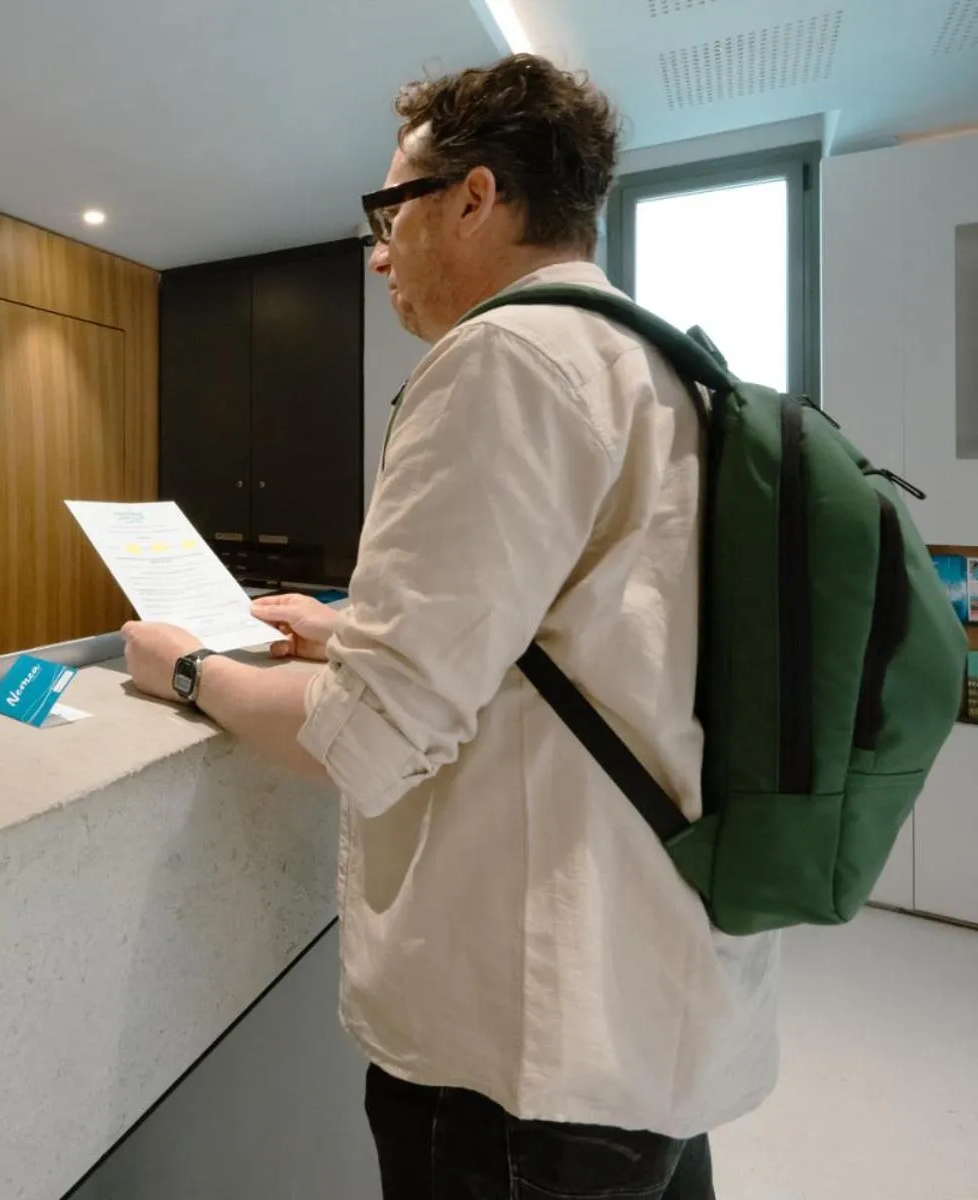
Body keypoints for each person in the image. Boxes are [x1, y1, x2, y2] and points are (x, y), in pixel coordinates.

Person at [123, 55, 778, 1199]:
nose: (378, 253)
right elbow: (587, 643)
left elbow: (366, 741)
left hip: (522, 1058)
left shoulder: (501, 359)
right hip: (655, 1010)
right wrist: (356, 631)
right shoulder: (664, 366)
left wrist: (189, 671)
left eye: (391, 212)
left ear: (475, 198)